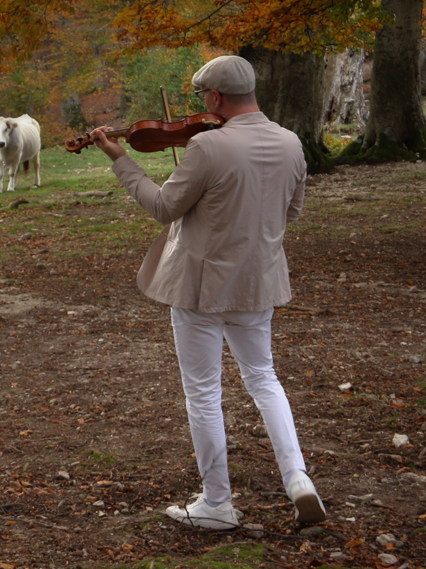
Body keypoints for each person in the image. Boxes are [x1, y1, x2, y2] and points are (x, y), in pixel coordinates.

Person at [89, 54, 327, 530]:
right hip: (258, 284)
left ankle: (217, 504)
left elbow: (162, 207)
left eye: (203, 97)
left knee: (203, 393)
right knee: (264, 378)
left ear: (215, 97)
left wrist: (120, 158)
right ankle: (298, 479)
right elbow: (292, 212)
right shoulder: (290, 143)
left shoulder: (208, 148)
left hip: (200, 288)